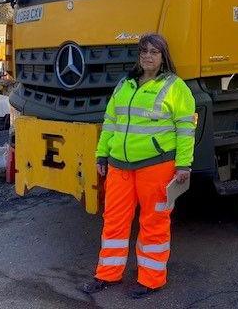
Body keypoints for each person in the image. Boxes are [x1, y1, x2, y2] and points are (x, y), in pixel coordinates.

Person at [81, 34, 196, 299]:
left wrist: (183, 165)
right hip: (119, 166)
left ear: (163, 56)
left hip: (156, 167)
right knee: (114, 221)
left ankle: (152, 280)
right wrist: (101, 156)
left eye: (154, 52)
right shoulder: (125, 84)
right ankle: (108, 274)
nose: (148, 57)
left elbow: (185, 129)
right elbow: (111, 122)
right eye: (144, 51)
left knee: (154, 222)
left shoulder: (176, 87)